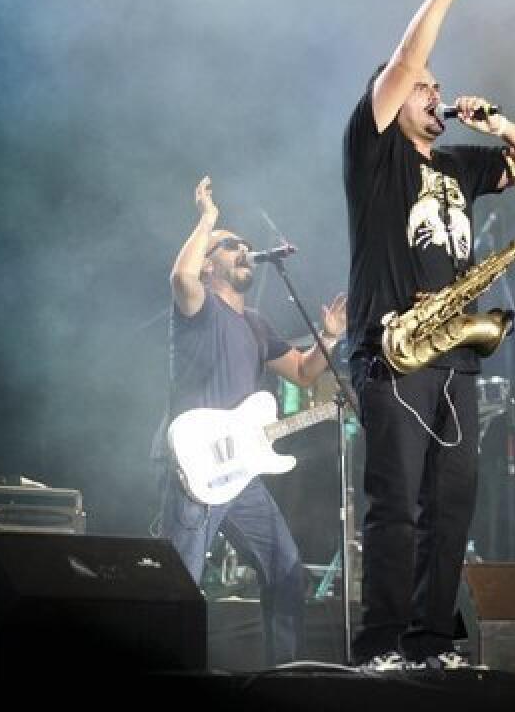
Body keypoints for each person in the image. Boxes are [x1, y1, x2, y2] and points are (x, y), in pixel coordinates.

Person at [341, 0, 515, 671]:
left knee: (451, 507)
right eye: (424, 89)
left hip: (455, 355)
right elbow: (406, 59)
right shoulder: (373, 152)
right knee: (395, 507)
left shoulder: (461, 163)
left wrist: (496, 121)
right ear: (394, 100)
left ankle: (433, 642)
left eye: (437, 87)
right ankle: (381, 644)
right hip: (395, 349)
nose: (434, 91)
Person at [161, 175, 347, 666]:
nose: (243, 250)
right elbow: (180, 278)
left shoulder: (257, 323)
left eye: (245, 246)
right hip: (195, 469)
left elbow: (306, 375)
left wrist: (328, 338)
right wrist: (207, 223)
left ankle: (285, 676)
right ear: (208, 263)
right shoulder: (198, 307)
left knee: (285, 571)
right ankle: (166, 675)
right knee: (179, 582)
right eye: (230, 246)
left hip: (241, 476)